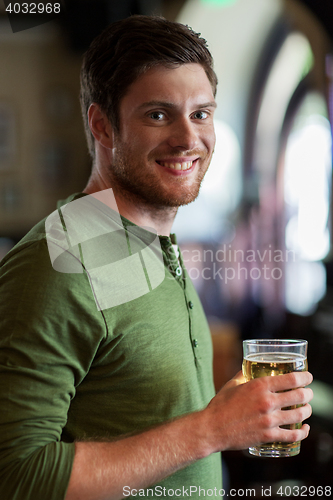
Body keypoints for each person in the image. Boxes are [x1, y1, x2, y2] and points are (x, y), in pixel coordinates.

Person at [0, 15, 313, 500]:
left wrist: (232, 413)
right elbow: (18, 476)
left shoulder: (148, 242)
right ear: (102, 124)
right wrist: (211, 429)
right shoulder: (55, 264)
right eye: (158, 114)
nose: (189, 139)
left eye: (201, 114)